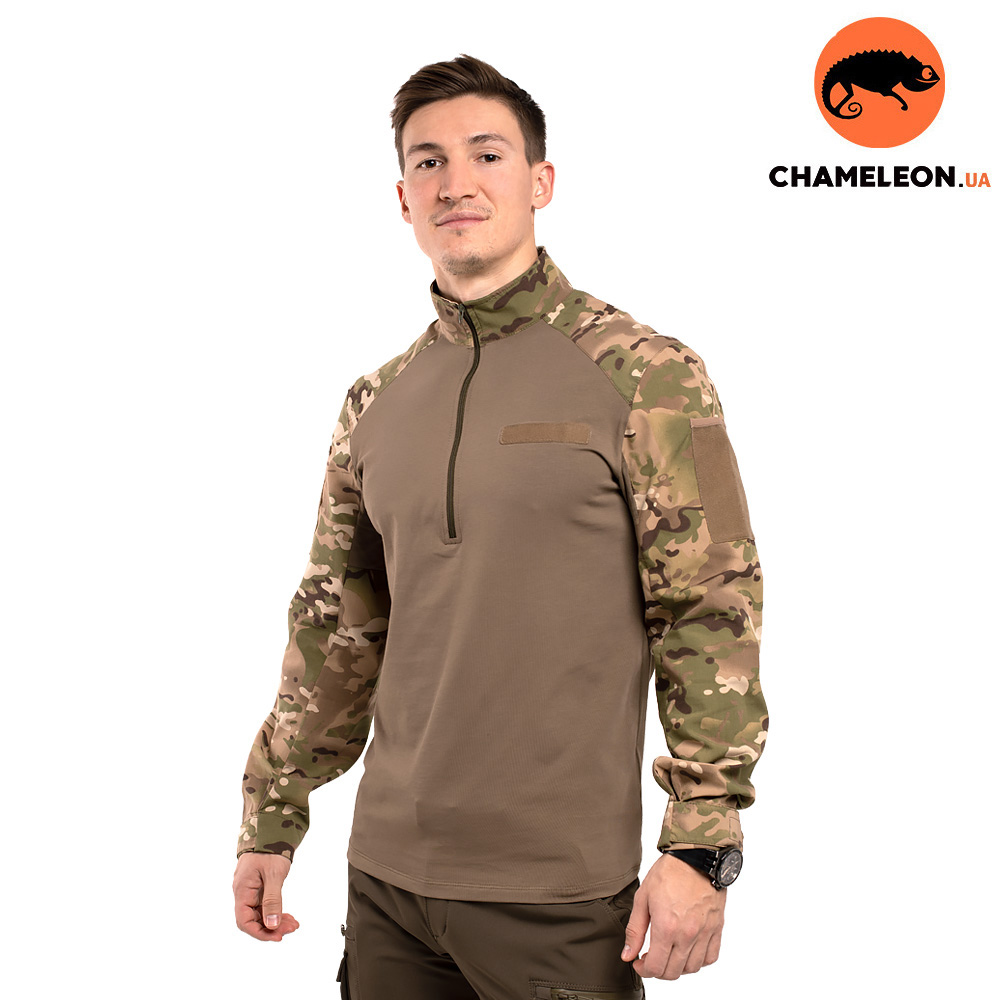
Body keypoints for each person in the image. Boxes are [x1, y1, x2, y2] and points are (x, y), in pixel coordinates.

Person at [232, 53, 768, 996]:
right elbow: (334, 627)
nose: (457, 183)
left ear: (540, 182)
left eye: (487, 154)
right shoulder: (374, 401)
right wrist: (272, 818)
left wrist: (702, 842)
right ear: (403, 198)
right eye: (428, 162)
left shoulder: (647, 373)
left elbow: (711, 610)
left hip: (560, 894)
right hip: (389, 883)